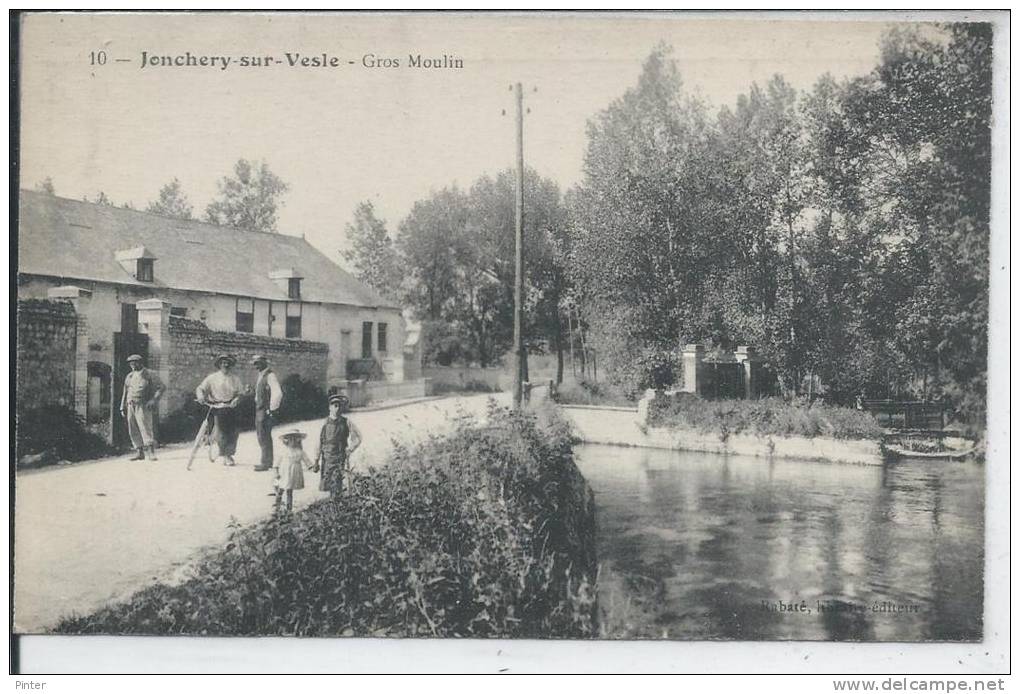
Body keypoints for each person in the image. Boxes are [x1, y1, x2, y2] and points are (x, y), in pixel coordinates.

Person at [195, 354, 244, 466]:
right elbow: (200, 388)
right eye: (223, 363)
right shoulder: (212, 378)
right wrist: (200, 396)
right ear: (219, 365)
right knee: (222, 431)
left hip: (231, 407)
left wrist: (237, 399)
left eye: (227, 363)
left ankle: (229, 453)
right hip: (218, 407)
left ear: (231, 365)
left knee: (233, 432)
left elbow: (240, 393)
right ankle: (225, 455)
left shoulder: (235, 379)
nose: (225, 365)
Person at [313, 393, 362, 497]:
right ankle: (333, 503)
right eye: (335, 406)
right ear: (329, 407)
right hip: (327, 457)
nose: (337, 408)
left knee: (337, 480)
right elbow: (319, 442)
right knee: (329, 482)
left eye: (339, 406)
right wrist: (316, 460)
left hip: (340, 455)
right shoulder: (324, 423)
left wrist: (350, 448)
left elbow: (358, 437)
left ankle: (337, 503)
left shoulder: (346, 422)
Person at [119, 354, 165, 461]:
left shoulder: (150, 374)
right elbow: (125, 392)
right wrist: (122, 406)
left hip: (143, 405)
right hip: (131, 404)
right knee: (133, 428)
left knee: (145, 428)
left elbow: (161, 387)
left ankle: (151, 453)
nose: (132, 365)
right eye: (131, 363)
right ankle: (139, 452)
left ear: (140, 362)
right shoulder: (129, 376)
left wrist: (153, 400)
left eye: (135, 363)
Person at [251, 354, 283, 472]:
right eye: (255, 363)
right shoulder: (261, 375)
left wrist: (271, 409)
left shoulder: (270, 375)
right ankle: (267, 461)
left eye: (258, 363)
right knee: (262, 436)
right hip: (260, 410)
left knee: (264, 436)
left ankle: (265, 463)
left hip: (264, 411)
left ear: (265, 363)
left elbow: (278, 393)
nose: (256, 366)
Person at [274, 429, 314, 513]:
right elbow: (276, 464)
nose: (292, 441)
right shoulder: (283, 451)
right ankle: (277, 507)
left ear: (298, 440)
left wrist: (313, 467)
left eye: (294, 439)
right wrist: (276, 473)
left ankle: (289, 510)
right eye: (290, 439)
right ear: (286, 440)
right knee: (280, 489)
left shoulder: (300, 451)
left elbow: (307, 461)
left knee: (289, 491)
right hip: (285, 473)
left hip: (295, 473)